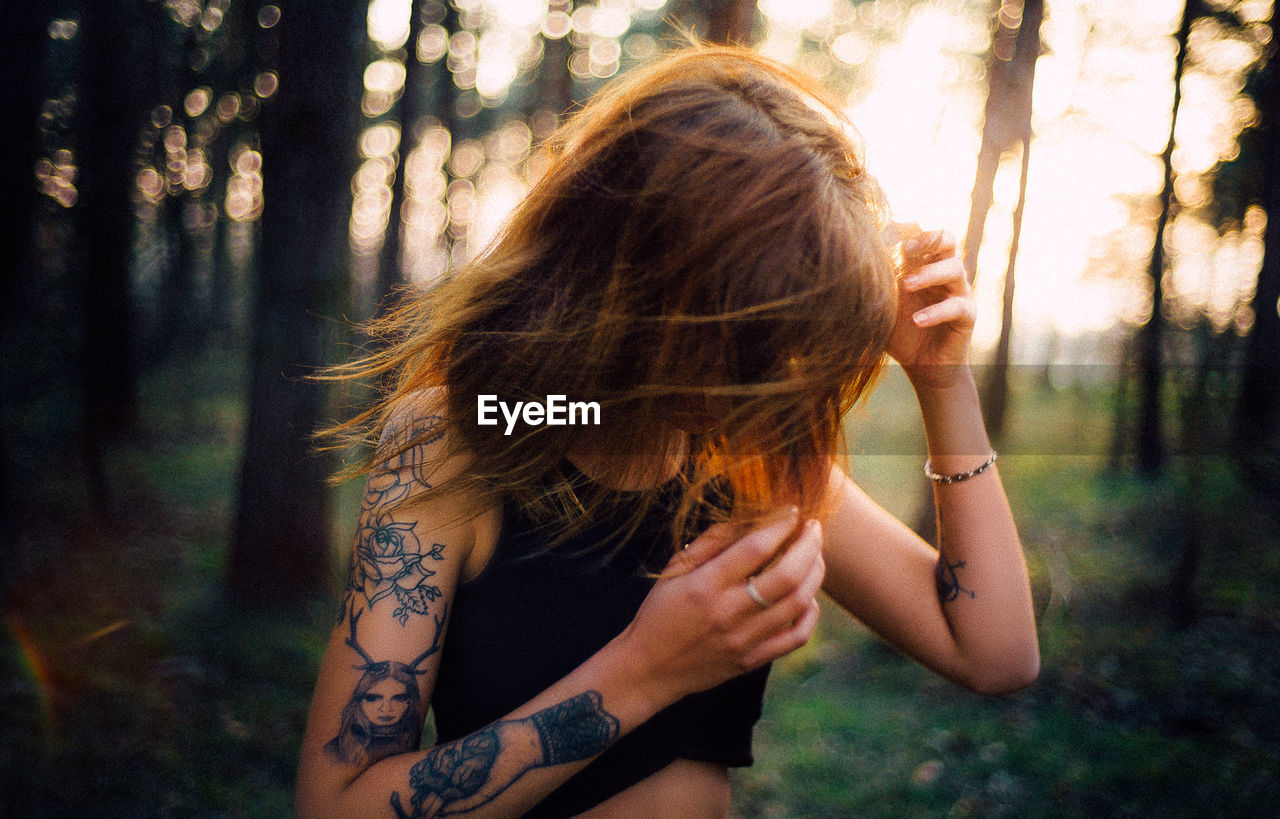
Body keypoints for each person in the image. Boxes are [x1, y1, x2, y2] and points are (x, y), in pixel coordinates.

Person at [297, 44, 1039, 818]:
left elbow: (993, 652)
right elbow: (334, 806)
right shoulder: (468, 439)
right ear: (636, 283)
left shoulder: (746, 452)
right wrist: (647, 670)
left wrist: (942, 383)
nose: (757, 389)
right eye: (740, 346)